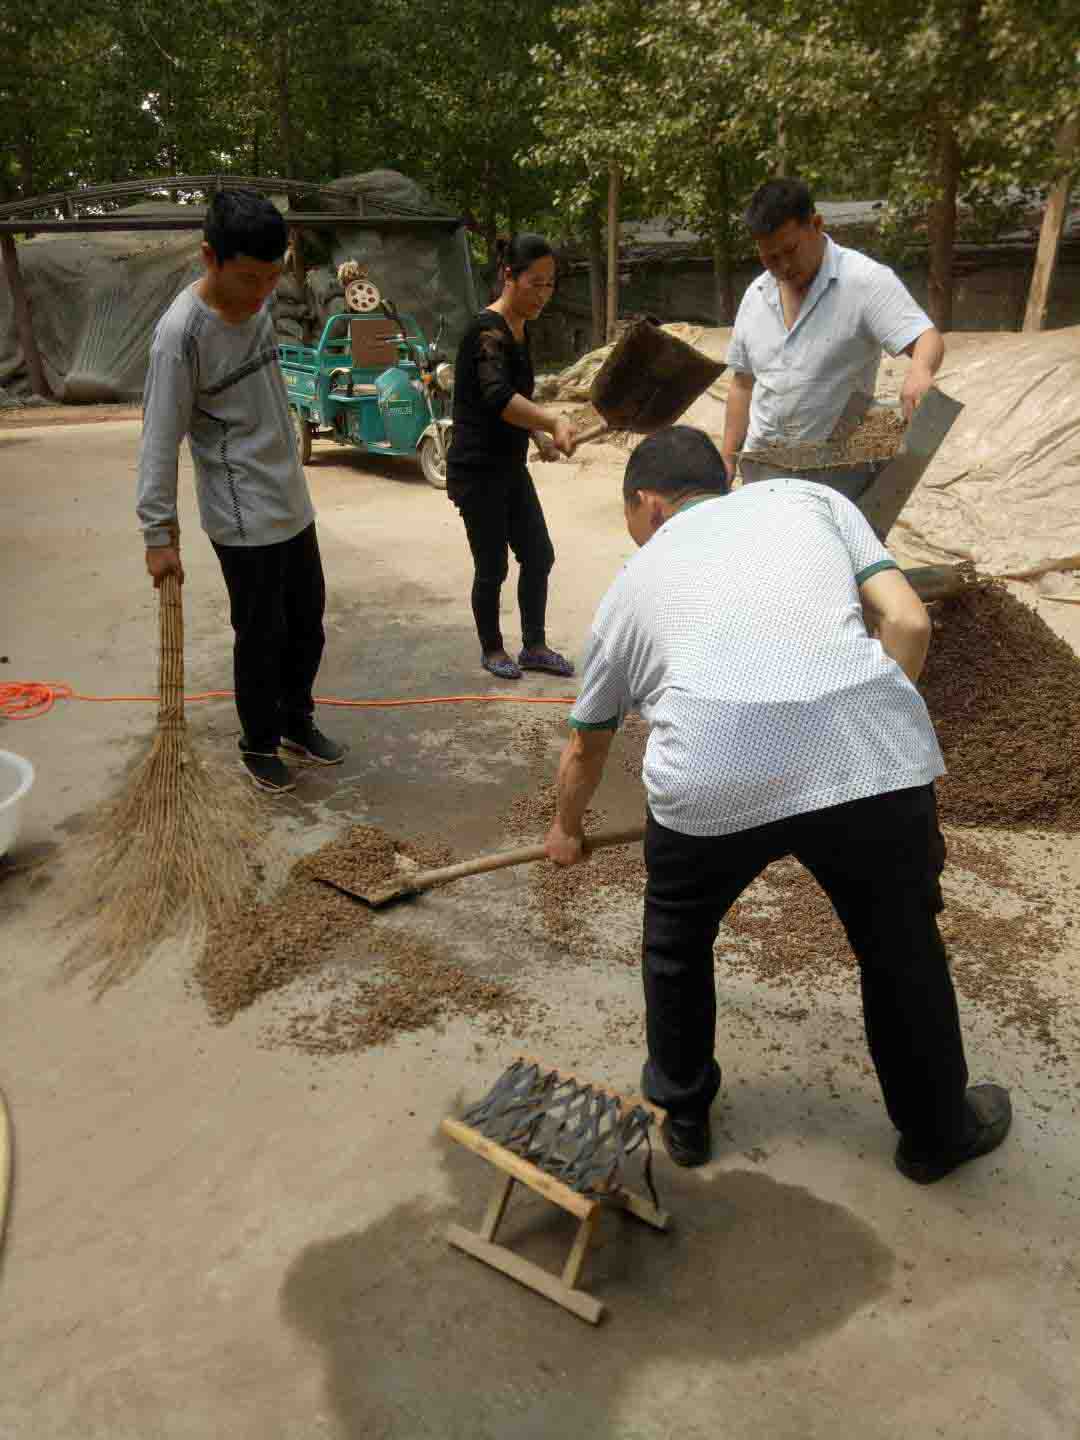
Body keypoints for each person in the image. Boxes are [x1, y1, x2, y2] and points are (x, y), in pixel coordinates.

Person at [544, 425, 1011, 1184]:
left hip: (712, 780)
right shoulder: (809, 500)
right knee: (901, 949)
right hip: (871, 768)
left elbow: (585, 745)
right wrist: (863, 733)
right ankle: (934, 1135)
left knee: (677, 942)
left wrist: (566, 829)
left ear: (649, 505)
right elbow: (910, 621)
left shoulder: (631, 585)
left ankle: (685, 1115)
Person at [136, 188, 344, 794]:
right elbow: (158, 438)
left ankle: (295, 721)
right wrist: (157, 533)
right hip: (240, 508)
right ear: (209, 257)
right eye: (249, 278)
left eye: (271, 278)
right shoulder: (181, 335)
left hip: (289, 496)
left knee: (308, 622)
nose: (260, 293)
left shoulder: (256, 301)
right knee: (262, 633)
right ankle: (257, 741)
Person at [723, 178, 945, 501]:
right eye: (770, 258)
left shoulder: (864, 281)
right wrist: (728, 457)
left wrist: (921, 371)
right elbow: (742, 383)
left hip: (833, 475)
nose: (783, 266)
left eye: (790, 251)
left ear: (816, 224)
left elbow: (927, 337)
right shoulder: (755, 295)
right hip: (763, 471)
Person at [446, 233, 578, 681]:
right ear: (508, 276)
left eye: (550, 285)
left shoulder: (523, 329)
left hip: (509, 465)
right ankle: (493, 648)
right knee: (492, 566)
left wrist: (539, 438)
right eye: (535, 283)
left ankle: (534, 645)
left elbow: (518, 398)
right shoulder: (486, 331)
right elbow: (499, 397)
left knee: (538, 555)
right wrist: (552, 422)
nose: (543, 294)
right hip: (477, 469)